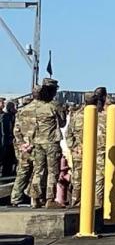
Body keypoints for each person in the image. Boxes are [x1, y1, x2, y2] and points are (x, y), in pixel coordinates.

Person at [32, 78, 64, 209]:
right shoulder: (55, 105)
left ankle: (35, 198)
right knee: (52, 171)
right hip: (51, 142)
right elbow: (62, 122)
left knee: (38, 170)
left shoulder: (37, 106)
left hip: (38, 141)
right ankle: (50, 199)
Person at [64, 92, 98, 207]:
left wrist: (73, 147)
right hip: (96, 152)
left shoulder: (76, 115)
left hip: (79, 151)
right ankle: (94, 203)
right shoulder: (100, 115)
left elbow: (68, 134)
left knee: (77, 179)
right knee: (96, 178)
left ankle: (76, 202)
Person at [10, 93, 37, 207]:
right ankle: (33, 199)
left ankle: (15, 198)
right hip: (35, 145)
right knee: (36, 173)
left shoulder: (21, 112)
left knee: (22, 172)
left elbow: (16, 130)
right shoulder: (38, 112)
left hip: (24, 147)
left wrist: (22, 144)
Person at [0, 100, 15, 177]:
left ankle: (6, 173)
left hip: (5, 139)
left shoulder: (6, 115)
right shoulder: (4, 116)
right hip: (4, 140)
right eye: (1, 102)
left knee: (7, 159)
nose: (2, 104)